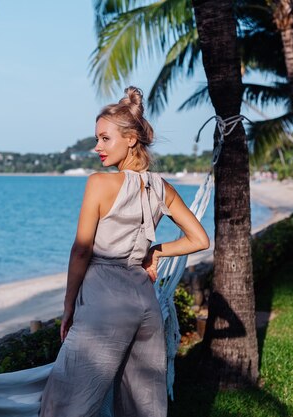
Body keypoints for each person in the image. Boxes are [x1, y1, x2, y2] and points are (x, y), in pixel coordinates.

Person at [39, 86, 210, 417]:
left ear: (131, 139)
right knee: (143, 406)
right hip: (145, 302)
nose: (96, 147)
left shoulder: (99, 184)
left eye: (105, 138)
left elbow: (81, 251)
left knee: (66, 402)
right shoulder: (163, 188)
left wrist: (69, 303)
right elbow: (200, 239)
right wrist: (156, 251)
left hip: (105, 300)